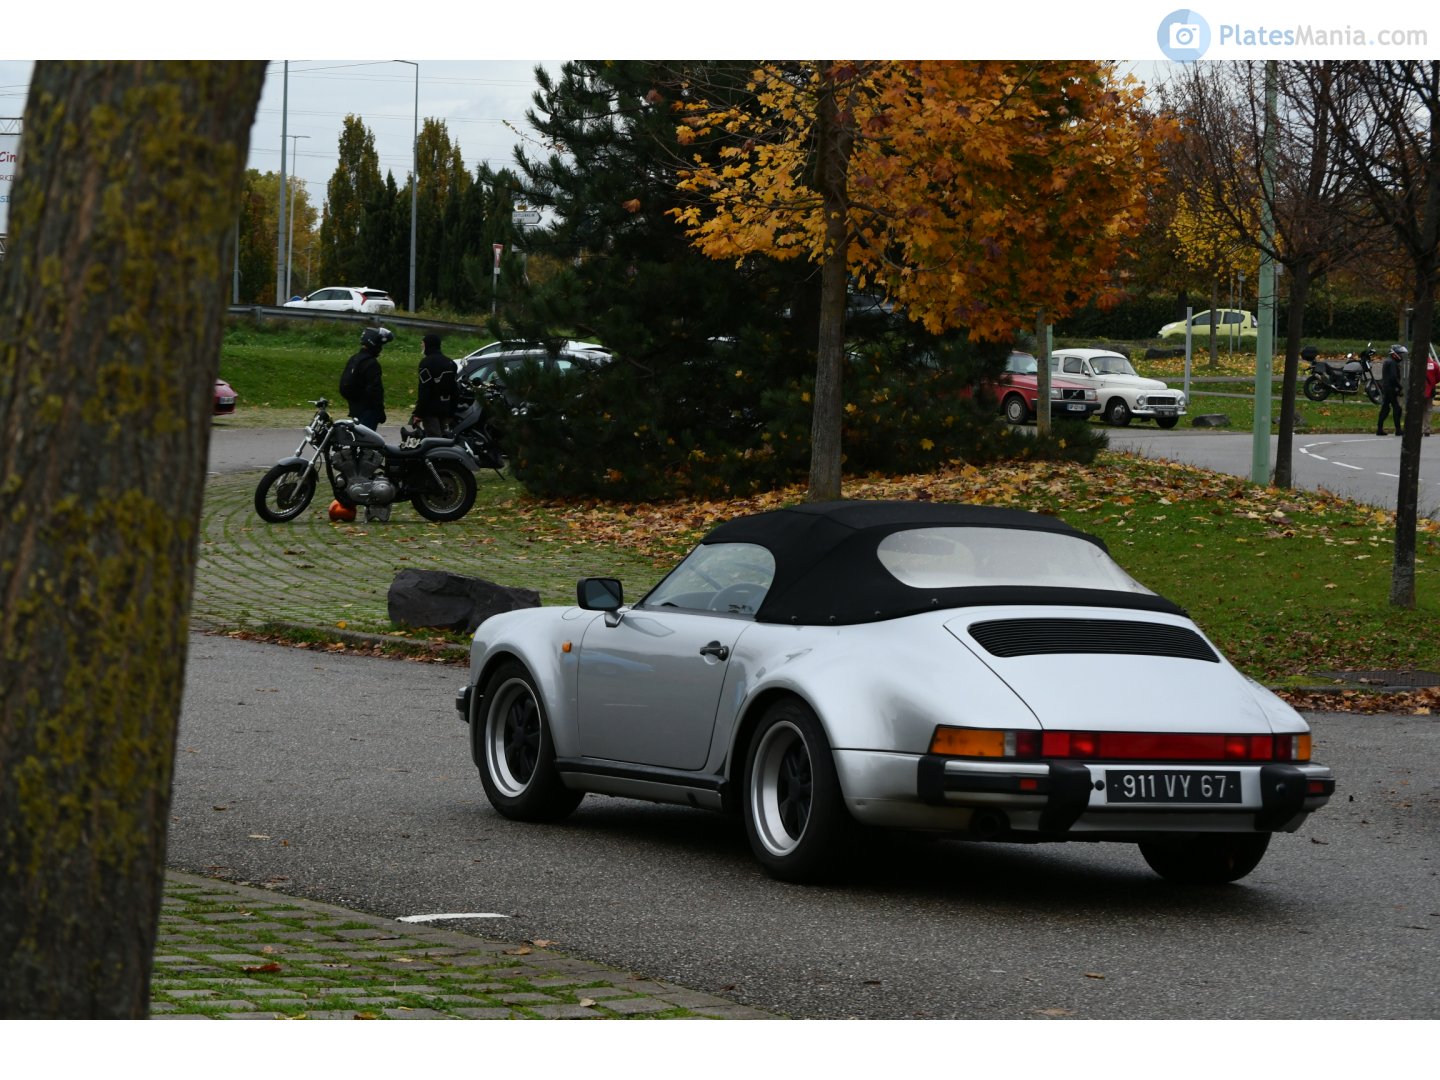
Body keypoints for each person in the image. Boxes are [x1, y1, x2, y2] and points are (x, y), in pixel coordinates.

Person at [339, 326, 393, 430]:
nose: (381, 349)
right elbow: (375, 390)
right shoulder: (372, 364)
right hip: (368, 410)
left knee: (357, 439)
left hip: (355, 407)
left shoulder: (354, 358)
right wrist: (380, 411)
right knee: (366, 442)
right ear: (374, 344)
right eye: (380, 345)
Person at [410, 333, 458, 437]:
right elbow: (454, 390)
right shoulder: (450, 363)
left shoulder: (426, 363)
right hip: (445, 408)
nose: (421, 345)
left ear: (428, 344)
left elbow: (425, 390)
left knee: (434, 440)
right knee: (445, 438)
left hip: (430, 409)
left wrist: (418, 413)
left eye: (423, 343)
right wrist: (452, 412)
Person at [1376, 343, 1406, 437]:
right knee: (1397, 408)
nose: (1401, 356)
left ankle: (1379, 429)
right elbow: (1393, 377)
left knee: (1385, 408)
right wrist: (1400, 387)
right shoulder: (1392, 362)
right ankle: (1398, 430)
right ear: (1394, 354)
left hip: (1386, 388)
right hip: (1390, 389)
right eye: (1400, 354)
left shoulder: (1388, 361)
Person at [1423, 348, 1440, 437]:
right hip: (1430, 391)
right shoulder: (1435, 365)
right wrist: (1432, 384)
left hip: (1419, 391)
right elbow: (1438, 378)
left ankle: (1419, 429)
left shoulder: (1418, 365)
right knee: (1428, 410)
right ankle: (1427, 429)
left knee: (1419, 411)